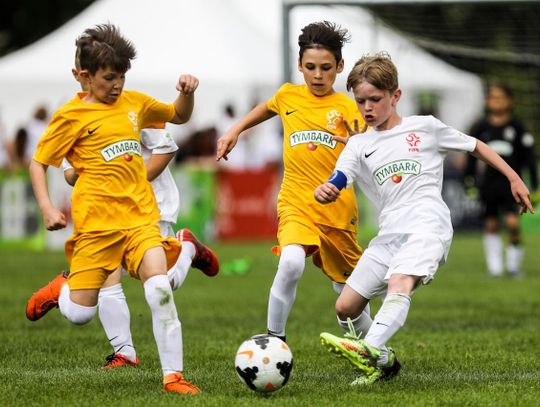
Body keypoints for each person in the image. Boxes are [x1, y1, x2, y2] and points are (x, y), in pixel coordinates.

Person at [315, 52, 534, 386]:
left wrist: (514, 178)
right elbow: (340, 175)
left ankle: (370, 348)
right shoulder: (359, 143)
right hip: (390, 233)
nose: (367, 108)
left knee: (399, 282)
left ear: (395, 96)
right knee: (345, 307)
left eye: (375, 99)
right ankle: (384, 362)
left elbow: (476, 146)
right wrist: (329, 188)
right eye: (360, 101)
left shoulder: (425, 127)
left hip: (428, 226)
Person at [25, 23, 204, 395]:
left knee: (159, 289)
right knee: (80, 314)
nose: (118, 85)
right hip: (95, 228)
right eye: (109, 78)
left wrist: (186, 94)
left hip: (139, 220)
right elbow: (38, 163)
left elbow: (179, 115)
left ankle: (174, 376)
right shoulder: (70, 117)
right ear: (84, 77)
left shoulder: (135, 103)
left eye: (122, 76)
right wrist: (47, 208)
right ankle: (63, 289)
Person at [217, 21, 374, 347]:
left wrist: (362, 143)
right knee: (289, 263)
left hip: (338, 209)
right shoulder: (288, 95)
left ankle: (374, 349)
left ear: (340, 67)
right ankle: (274, 342)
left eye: (326, 68)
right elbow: (266, 108)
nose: (318, 75)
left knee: (348, 296)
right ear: (300, 66)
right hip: (296, 201)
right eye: (311, 67)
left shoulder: (347, 106)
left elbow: (368, 148)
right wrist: (235, 130)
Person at [464, 81, 538, 277]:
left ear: (510, 101)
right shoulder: (480, 127)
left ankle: (514, 266)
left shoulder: (517, 127)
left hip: (511, 186)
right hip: (489, 185)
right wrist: (469, 180)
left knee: (513, 224)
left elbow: (529, 159)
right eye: (492, 98)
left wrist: (535, 185)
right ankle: (495, 268)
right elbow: (470, 155)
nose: (496, 102)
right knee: (491, 224)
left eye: (500, 98)